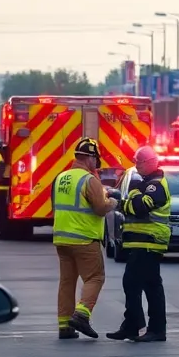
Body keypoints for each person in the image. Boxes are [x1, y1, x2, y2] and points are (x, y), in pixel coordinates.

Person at [51, 138, 117, 340]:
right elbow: (100, 208)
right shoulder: (89, 180)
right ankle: (81, 314)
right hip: (84, 238)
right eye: (96, 160)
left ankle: (65, 326)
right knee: (95, 277)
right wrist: (112, 201)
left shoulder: (61, 178)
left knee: (67, 282)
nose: (96, 164)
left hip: (62, 238)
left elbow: (55, 205)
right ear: (89, 158)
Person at [106, 146, 170, 343]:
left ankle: (145, 327)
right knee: (149, 285)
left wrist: (122, 203)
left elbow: (140, 207)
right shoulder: (144, 183)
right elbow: (134, 203)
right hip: (141, 243)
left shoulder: (155, 185)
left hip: (149, 242)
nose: (136, 165)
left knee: (132, 283)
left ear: (150, 162)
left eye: (139, 162)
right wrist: (130, 201)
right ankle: (137, 326)